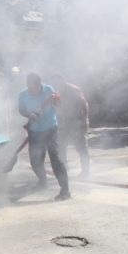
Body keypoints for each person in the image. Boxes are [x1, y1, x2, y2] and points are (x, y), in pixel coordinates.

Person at [18, 73, 70, 201]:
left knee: (55, 159)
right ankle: (42, 182)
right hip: (34, 131)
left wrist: (57, 99)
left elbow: (58, 105)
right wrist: (29, 114)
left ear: (38, 85)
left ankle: (65, 191)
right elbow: (21, 110)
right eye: (27, 83)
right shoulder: (23, 94)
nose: (27, 86)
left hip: (50, 129)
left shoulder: (48, 90)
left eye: (30, 83)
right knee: (35, 160)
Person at [50, 74, 90, 177]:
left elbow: (84, 104)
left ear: (62, 79)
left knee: (81, 147)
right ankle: (64, 169)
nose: (56, 83)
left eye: (57, 81)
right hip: (64, 123)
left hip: (76, 121)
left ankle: (86, 171)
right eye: (54, 82)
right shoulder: (56, 91)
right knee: (62, 146)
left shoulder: (73, 89)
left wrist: (85, 119)